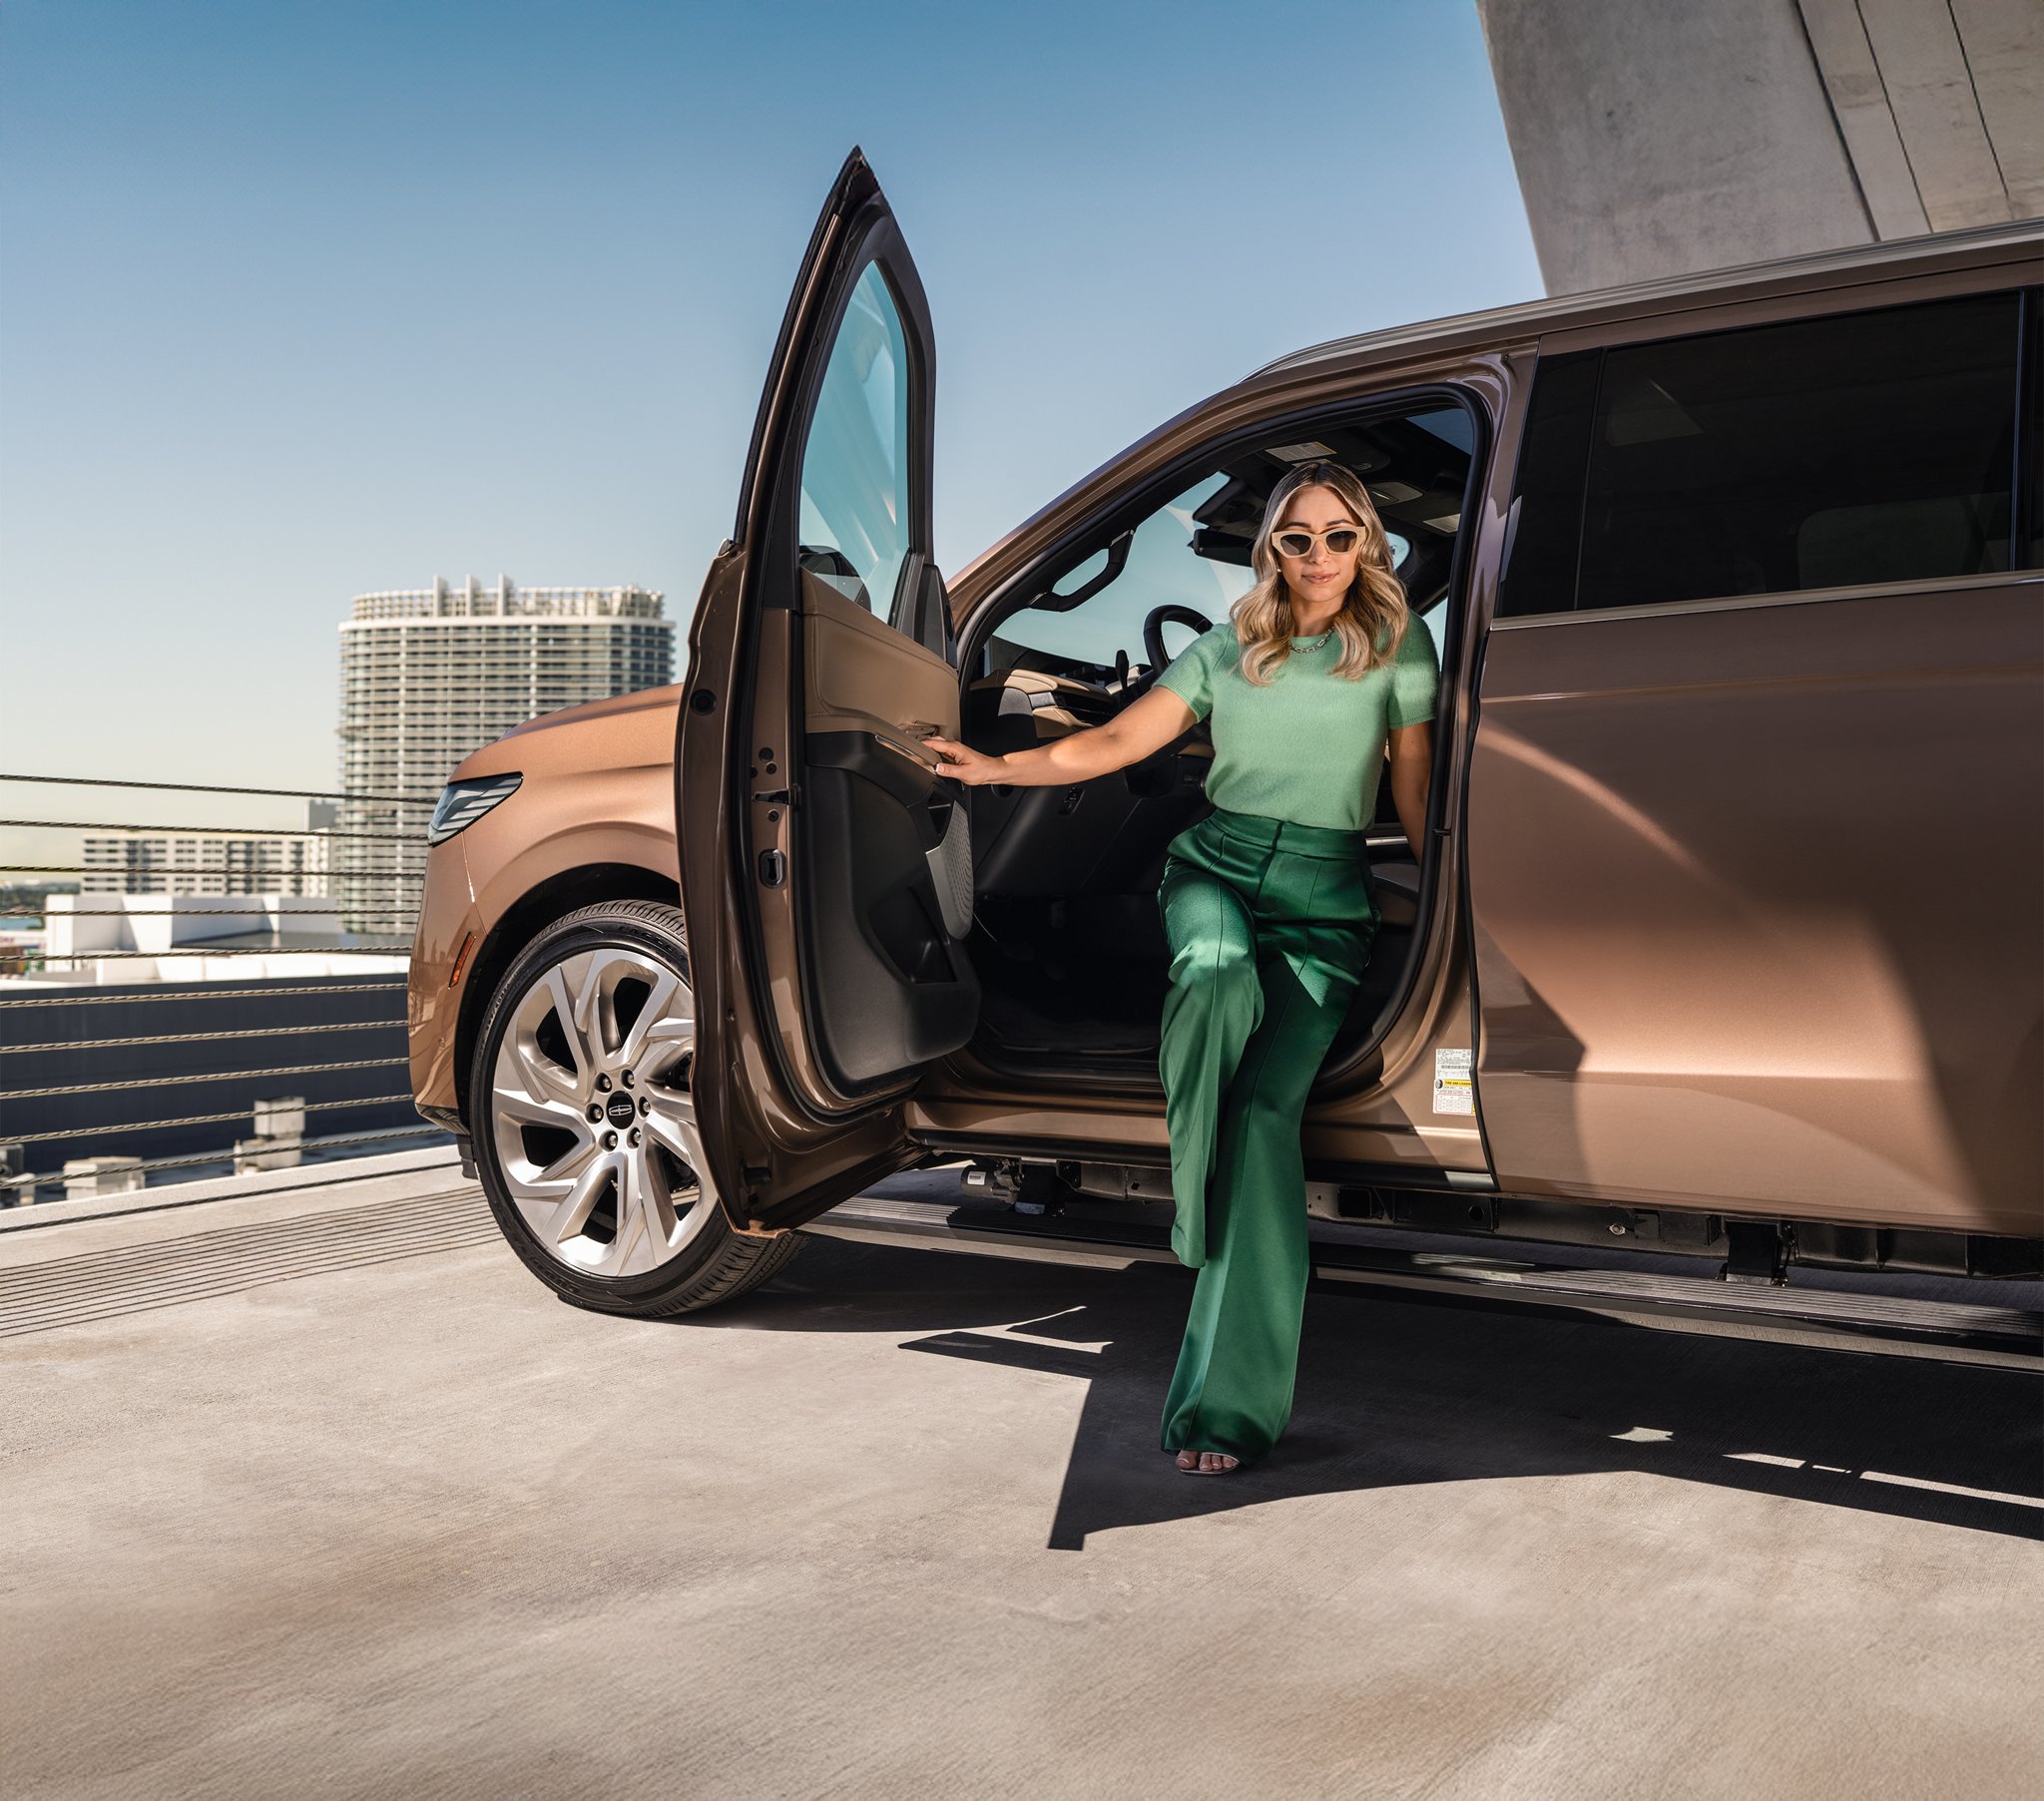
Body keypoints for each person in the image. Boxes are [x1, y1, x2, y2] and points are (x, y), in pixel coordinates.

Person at [925, 461, 1438, 1475]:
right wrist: (994, 767)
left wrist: (1449, 901)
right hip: (1216, 867)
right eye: (1298, 538)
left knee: (1261, 1124)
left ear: (1366, 545)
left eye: (1340, 536)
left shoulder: (1396, 646)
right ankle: (1195, 1198)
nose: (1320, 557)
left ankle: (1223, 1406)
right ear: (1271, 551)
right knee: (1209, 973)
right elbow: (1115, 741)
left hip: (1325, 905)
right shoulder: (1225, 648)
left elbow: (1412, 785)